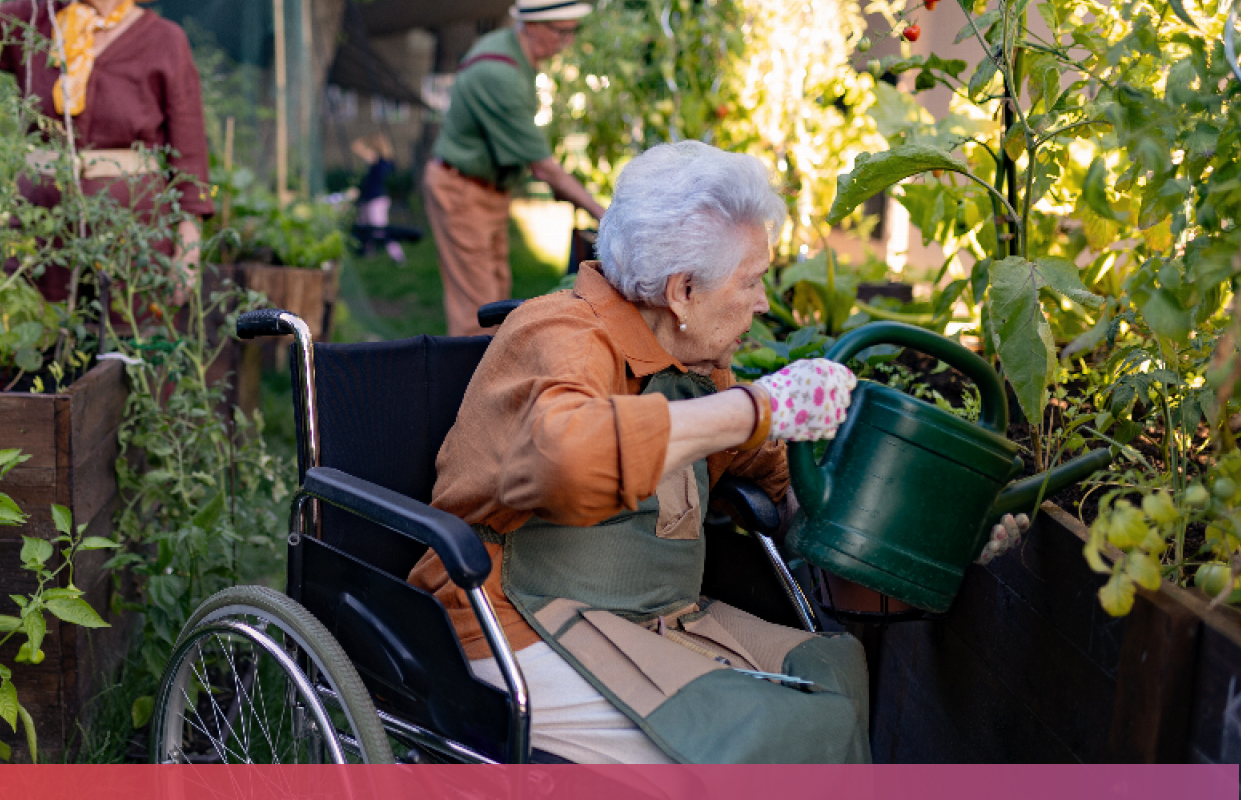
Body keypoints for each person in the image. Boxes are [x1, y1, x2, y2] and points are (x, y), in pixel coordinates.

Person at [409, 141, 1029, 764]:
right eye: (753, 280)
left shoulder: (699, 371)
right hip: (511, 619)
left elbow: (799, 495)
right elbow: (567, 458)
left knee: (832, 665)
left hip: (650, 615)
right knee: (773, 735)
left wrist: (943, 536)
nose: (763, 302)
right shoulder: (562, 335)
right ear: (682, 291)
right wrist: (755, 408)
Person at [0, 0, 211, 307]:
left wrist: (188, 253)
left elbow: (190, 156)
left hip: (132, 230)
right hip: (39, 224)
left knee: (127, 338)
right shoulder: (35, 18)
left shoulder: (165, 40)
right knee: (28, 330)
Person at [425, 0, 607, 336]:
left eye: (572, 31)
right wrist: (604, 215)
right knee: (476, 312)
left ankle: (492, 377)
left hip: (486, 188)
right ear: (532, 25)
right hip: (463, 190)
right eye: (562, 32)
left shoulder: (511, 50)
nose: (568, 42)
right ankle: (468, 385)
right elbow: (544, 169)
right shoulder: (501, 75)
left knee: (496, 298)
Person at [351, 134, 404, 263]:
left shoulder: (378, 159)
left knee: (380, 229)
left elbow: (356, 147)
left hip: (376, 200)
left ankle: (397, 256)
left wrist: (365, 140)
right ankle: (368, 252)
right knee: (364, 225)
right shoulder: (386, 161)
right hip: (370, 198)